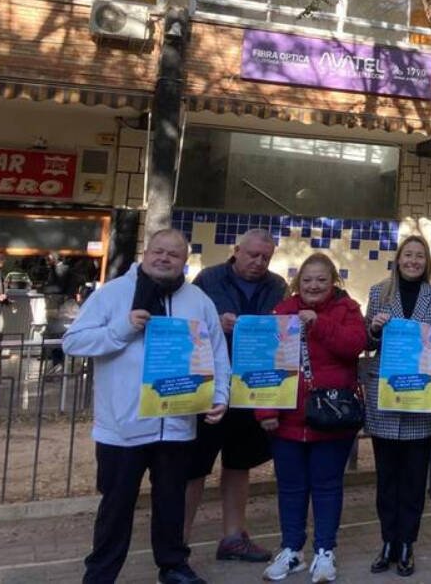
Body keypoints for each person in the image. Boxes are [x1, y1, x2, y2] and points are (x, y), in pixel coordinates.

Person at [62, 229, 230, 584]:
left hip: (177, 422)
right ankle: (101, 574)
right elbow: (73, 341)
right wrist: (122, 328)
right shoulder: (113, 294)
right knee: (116, 507)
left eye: (174, 254)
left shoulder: (198, 299)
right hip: (123, 427)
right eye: (159, 251)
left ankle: (173, 566)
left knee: (171, 503)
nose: (165, 258)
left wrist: (220, 395)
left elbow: (216, 352)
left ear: (185, 262)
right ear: (146, 252)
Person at [256, 253, 366, 583]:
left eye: (321, 279)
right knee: (290, 488)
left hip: (332, 418)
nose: (314, 285)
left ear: (333, 281)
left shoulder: (347, 310)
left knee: (327, 486)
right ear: (297, 283)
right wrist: (265, 410)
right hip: (287, 420)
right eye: (307, 280)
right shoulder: (282, 311)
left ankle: (324, 551)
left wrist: (320, 324)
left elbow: (354, 345)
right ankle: (291, 550)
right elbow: (266, 361)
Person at [185, 228, 287, 561]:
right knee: (194, 468)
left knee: (239, 464)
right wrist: (216, 322)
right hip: (211, 386)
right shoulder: (207, 279)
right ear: (237, 250)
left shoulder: (277, 286)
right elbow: (186, 325)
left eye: (266, 258)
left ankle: (232, 537)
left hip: (252, 389)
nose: (259, 262)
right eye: (253, 255)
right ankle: (177, 543)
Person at [362, 234, 431, 577]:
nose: (413, 261)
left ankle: (407, 544)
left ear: (426, 262)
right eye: (408, 255)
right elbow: (368, 341)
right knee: (386, 478)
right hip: (387, 399)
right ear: (398, 259)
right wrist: (373, 327)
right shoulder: (379, 292)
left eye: (420, 256)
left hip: (423, 399)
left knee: (414, 479)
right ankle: (387, 541)